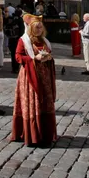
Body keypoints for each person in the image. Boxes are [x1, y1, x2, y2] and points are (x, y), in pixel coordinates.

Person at [10, 16, 58, 147]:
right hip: (30, 76)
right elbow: (18, 56)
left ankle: (46, 134)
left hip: (45, 77)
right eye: (37, 27)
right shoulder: (24, 40)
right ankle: (33, 134)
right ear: (31, 28)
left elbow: (49, 53)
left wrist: (48, 57)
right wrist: (34, 59)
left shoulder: (45, 41)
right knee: (34, 102)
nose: (39, 29)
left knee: (45, 102)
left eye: (41, 27)